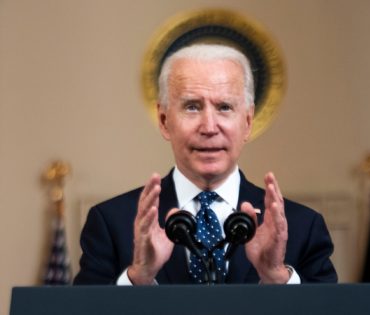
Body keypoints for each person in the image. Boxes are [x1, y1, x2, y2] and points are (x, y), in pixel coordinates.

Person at [73, 43, 337, 285]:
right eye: (192, 107)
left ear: (247, 121)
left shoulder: (303, 227)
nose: (209, 127)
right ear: (164, 121)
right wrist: (139, 275)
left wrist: (276, 277)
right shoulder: (111, 223)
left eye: (224, 107)